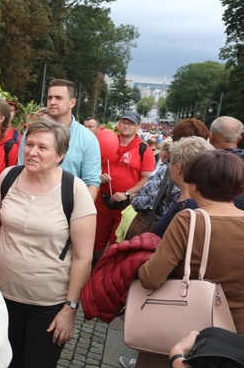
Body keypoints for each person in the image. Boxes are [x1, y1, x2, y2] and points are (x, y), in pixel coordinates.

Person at [0, 118, 96, 368]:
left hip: (49, 302)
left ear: (60, 155)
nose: (32, 152)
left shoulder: (75, 190)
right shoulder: (8, 177)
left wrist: (70, 308)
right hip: (3, 298)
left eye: (42, 147)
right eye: (29, 144)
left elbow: (83, 256)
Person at [121, 150, 244, 368]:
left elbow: (151, 277)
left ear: (194, 184)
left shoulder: (190, 220)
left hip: (182, 334)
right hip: (234, 343)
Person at [18, 79, 101, 200]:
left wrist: (78, 213)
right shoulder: (32, 133)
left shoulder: (88, 139)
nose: (52, 102)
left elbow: (92, 182)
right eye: (49, 97)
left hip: (67, 207)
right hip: (31, 201)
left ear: (72, 102)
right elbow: (21, 169)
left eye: (58, 98)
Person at [94, 111, 155, 252]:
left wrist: (126, 193)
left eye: (130, 123)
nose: (126, 125)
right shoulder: (108, 142)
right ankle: (93, 268)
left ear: (137, 127)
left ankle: (108, 268)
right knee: (96, 239)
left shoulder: (143, 149)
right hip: (103, 201)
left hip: (125, 206)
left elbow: (147, 178)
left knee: (117, 244)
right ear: (119, 124)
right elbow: (93, 164)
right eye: (123, 122)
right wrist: (99, 174)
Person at [132, 118, 210, 217]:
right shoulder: (212, 169)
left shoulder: (170, 168)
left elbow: (140, 203)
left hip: (168, 224)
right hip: (201, 224)